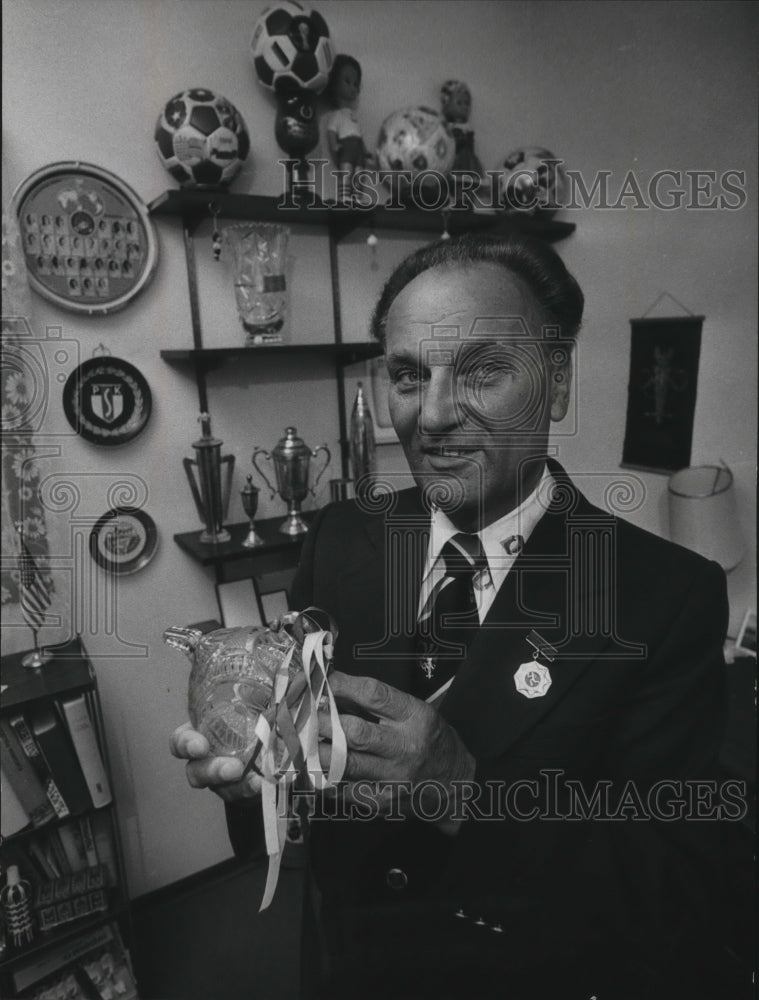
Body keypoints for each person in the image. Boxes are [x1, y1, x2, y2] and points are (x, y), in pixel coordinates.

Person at [170, 233, 746, 999]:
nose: (433, 414)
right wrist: (259, 776)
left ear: (556, 383)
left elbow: (682, 887)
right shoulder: (342, 539)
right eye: (408, 375)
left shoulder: (663, 597)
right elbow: (309, 784)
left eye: (481, 370)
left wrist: (465, 790)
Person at [323, 54, 373, 202]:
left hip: (357, 147)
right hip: (346, 146)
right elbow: (331, 131)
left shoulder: (353, 116)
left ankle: (357, 197)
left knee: (359, 172)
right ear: (334, 83)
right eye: (347, 81)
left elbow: (359, 134)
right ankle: (345, 196)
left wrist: (365, 151)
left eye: (355, 84)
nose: (352, 87)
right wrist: (334, 144)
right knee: (346, 171)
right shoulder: (336, 115)